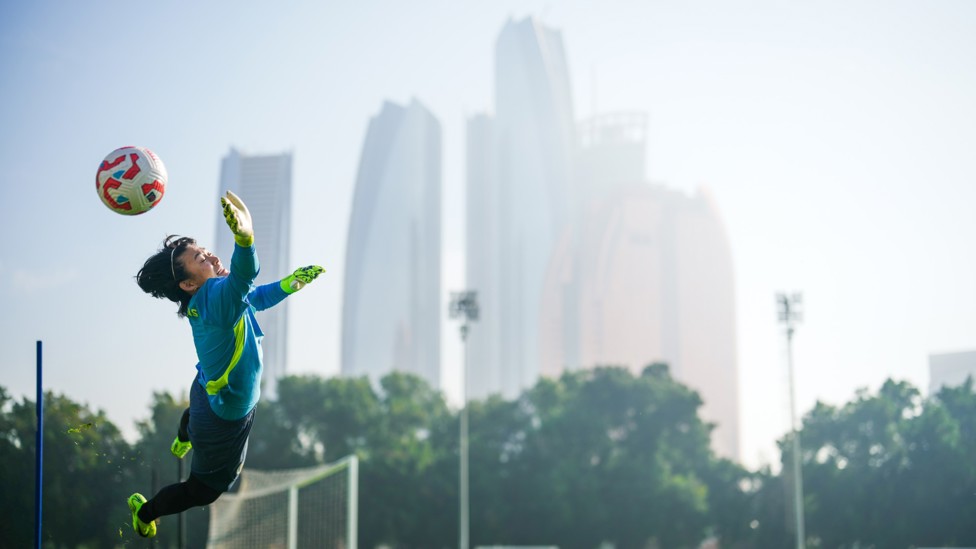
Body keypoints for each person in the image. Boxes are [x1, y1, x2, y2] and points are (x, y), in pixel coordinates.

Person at [126, 191, 324, 538]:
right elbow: (246, 278)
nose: (211, 256)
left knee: (196, 417)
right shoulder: (217, 297)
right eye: (201, 258)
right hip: (222, 417)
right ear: (188, 284)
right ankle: (145, 511)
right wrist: (244, 241)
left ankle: (183, 438)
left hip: (208, 394)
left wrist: (291, 284)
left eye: (205, 250)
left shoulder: (211, 298)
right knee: (203, 491)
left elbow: (255, 297)